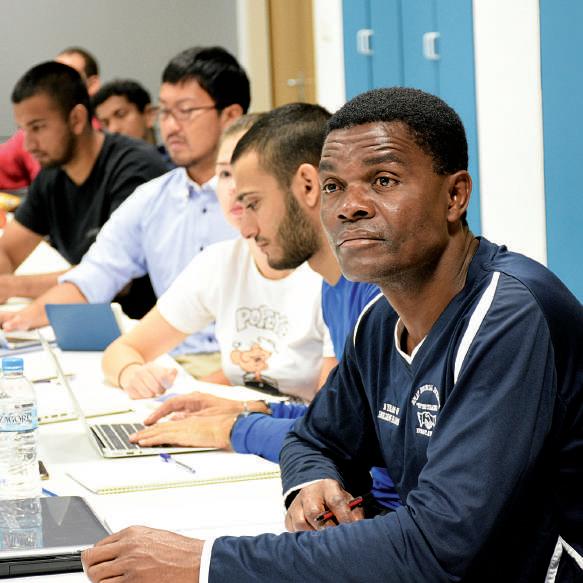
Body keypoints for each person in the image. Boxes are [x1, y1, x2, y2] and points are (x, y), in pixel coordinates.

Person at [82, 88, 583, 582]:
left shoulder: (510, 316)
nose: (349, 207)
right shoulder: (380, 319)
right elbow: (314, 437)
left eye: (383, 180)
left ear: (455, 196)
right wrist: (313, 480)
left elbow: (438, 547)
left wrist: (205, 563)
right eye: (333, 187)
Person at [127, 104, 396, 517]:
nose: (247, 228)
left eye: (253, 203)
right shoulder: (334, 289)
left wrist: (237, 428)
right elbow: (335, 420)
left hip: (385, 521)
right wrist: (252, 409)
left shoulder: (376, 295)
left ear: (307, 185)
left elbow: (353, 444)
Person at [1, 46, 249, 380]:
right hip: (174, 361)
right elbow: (94, 276)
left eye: (185, 111)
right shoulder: (152, 198)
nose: (170, 126)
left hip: (247, 369)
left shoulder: (259, 199)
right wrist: (20, 320)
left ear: (230, 115)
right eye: (165, 111)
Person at [102, 113, 335, 405]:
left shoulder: (329, 273)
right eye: (224, 174)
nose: (235, 188)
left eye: (249, 177)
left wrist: (235, 414)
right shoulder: (220, 261)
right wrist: (133, 374)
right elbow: (123, 350)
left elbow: (328, 417)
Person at [0, 61, 167, 318]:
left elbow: (115, 279)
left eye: (38, 127)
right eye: (23, 130)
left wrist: (12, 286)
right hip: (86, 318)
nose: (28, 145)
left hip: (141, 324)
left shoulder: (134, 168)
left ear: (76, 119)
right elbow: (8, 251)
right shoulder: (52, 176)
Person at [0, 47, 101, 190]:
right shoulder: (28, 137)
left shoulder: (110, 138)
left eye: (68, 77)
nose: (29, 146)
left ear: (77, 119)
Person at [92, 79, 173, 168]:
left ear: (149, 115)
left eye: (121, 115)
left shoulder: (178, 167)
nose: (113, 129)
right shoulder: (106, 173)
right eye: (105, 123)